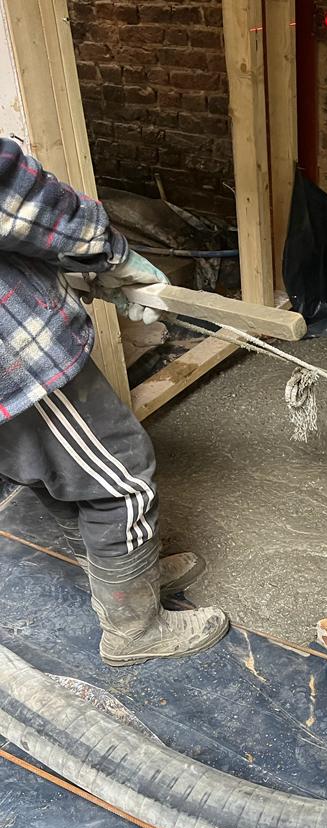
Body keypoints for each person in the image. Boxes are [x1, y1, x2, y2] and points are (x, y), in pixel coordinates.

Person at [0, 136, 229, 665]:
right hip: (16, 361)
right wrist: (107, 250)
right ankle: (134, 627)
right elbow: (10, 191)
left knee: (62, 471)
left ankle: (129, 578)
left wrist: (79, 268)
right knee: (119, 479)